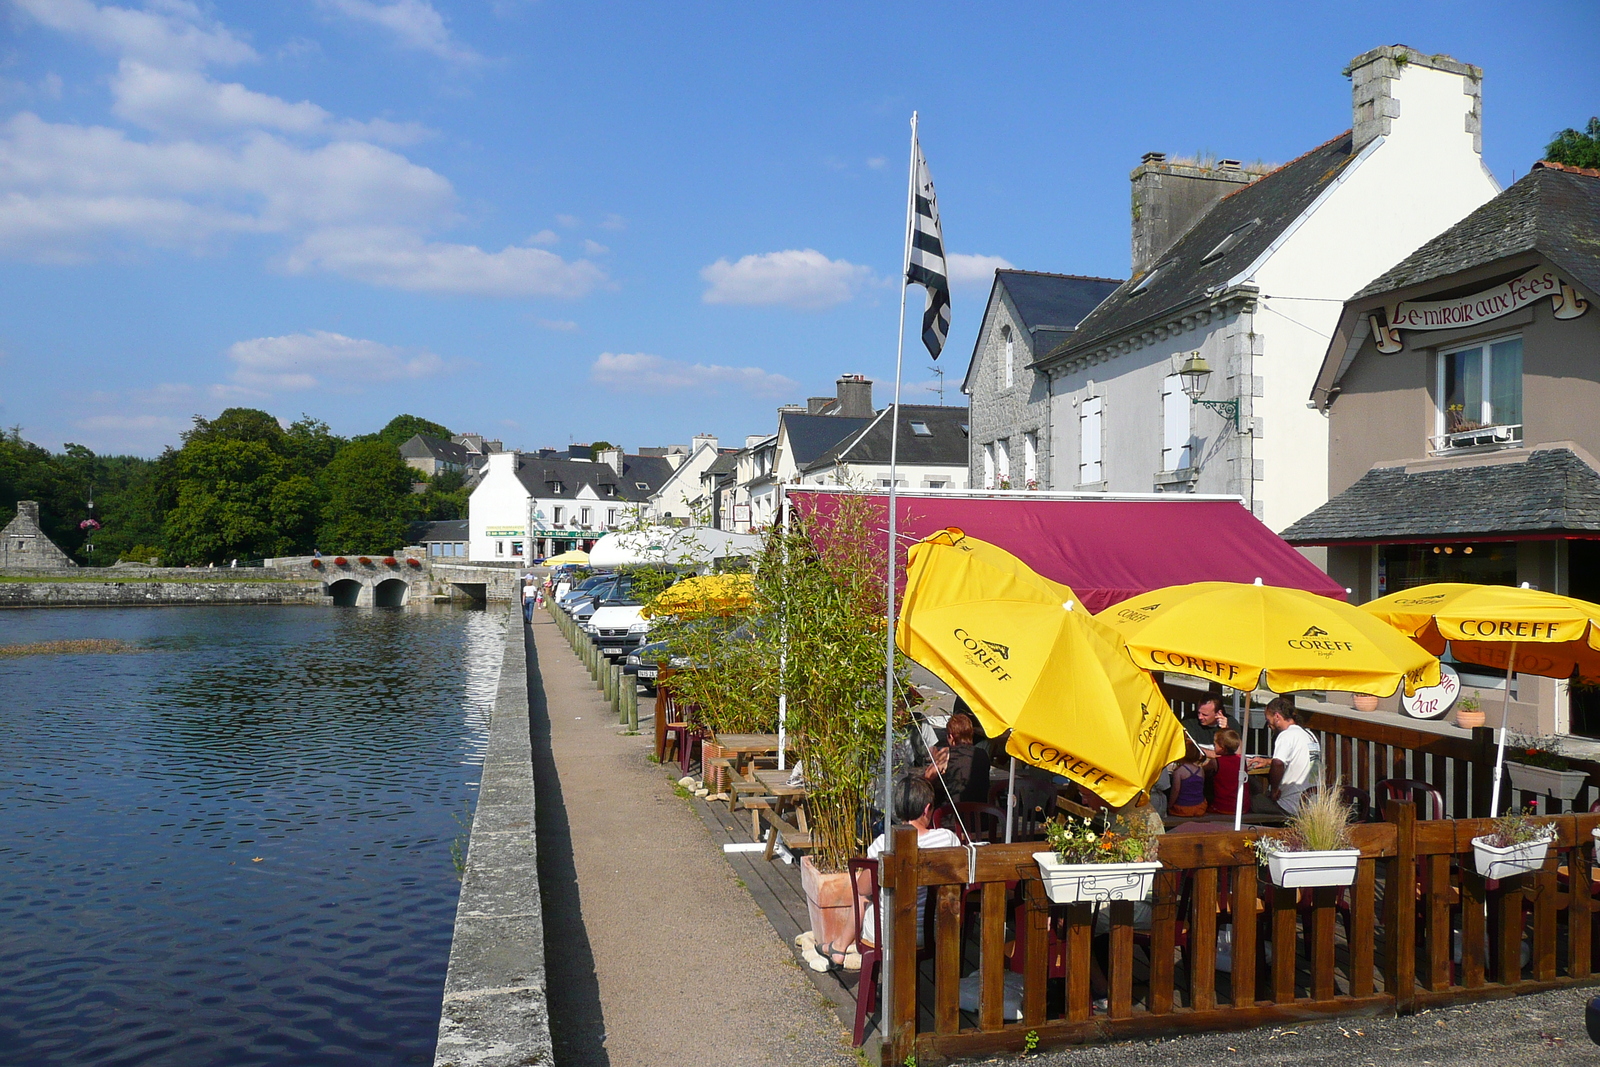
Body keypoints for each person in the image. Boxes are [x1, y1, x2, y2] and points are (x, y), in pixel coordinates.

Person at [854, 776, 960, 959]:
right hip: (931, 932)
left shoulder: (884, 843)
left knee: (865, 898)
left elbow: (863, 889)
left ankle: (838, 947)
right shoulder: (946, 838)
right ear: (927, 809)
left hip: (887, 934)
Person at [1250, 698, 1322, 815]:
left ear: (1277, 716)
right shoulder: (1309, 735)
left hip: (1289, 805)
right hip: (1312, 803)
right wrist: (1268, 761)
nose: (1268, 725)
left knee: (1251, 800)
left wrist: (1273, 790)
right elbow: (1298, 759)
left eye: (1268, 720)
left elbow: (1278, 763)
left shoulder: (1286, 735)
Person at [922, 711, 988, 804]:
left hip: (953, 813)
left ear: (951, 736)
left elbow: (928, 777)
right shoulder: (982, 753)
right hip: (980, 812)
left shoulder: (947, 753)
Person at [1208, 729, 1249, 817]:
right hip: (1242, 807)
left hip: (1222, 807)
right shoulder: (1242, 760)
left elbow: (1201, 770)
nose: (1214, 746)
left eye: (1215, 744)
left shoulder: (1215, 762)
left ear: (1222, 748)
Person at [1166, 739, 1210, 818]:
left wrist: (1170, 805)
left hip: (1183, 808)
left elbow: (1175, 790)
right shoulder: (1200, 769)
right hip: (1200, 807)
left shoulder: (1179, 771)